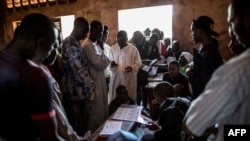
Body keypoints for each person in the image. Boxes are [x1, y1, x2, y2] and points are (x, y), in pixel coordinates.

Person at [182, 1, 250, 141]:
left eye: (232, 22)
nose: (230, 31)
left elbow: (191, 123)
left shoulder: (236, 68)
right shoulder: (205, 51)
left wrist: (218, 132)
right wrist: (222, 131)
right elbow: (243, 131)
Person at [0, 13, 62, 141]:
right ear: (41, 43)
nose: (52, 52)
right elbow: (49, 137)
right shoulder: (37, 78)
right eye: (52, 46)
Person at [35, 27, 84, 141]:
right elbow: (60, 126)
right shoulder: (38, 78)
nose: (57, 52)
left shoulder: (41, 68)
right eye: (55, 46)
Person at [61, 17, 94, 136]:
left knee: (82, 123)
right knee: (79, 125)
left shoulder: (74, 42)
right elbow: (78, 70)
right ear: (78, 28)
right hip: (75, 93)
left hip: (79, 91)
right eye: (85, 31)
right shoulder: (70, 45)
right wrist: (91, 86)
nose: (86, 35)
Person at [81, 20, 110, 132]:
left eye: (102, 32)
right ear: (91, 31)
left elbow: (104, 62)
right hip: (94, 82)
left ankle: (102, 133)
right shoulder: (88, 45)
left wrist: (102, 54)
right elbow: (99, 65)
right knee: (96, 113)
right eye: (98, 32)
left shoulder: (95, 44)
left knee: (102, 109)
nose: (101, 35)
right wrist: (103, 51)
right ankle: (95, 136)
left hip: (100, 80)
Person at [187, 15, 223, 100]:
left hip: (206, 101)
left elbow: (207, 84)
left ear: (200, 31)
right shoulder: (204, 50)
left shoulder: (209, 54)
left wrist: (190, 75)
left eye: (193, 31)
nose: (191, 34)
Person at [108, 30, 142, 103]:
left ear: (126, 39)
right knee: (115, 98)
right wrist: (112, 64)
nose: (120, 43)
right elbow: (108, 62)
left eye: (122, 41)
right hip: (116, 78)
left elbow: (138, 63)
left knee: (129, 97)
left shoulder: (133, 49)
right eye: (118, 41)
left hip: (128, 78)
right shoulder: (112, 49)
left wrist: (132, 67)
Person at [97, 25, 112, 92]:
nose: (105, 37)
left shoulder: (108, 47)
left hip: (107, 77)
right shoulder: (95, 46)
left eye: (107, 35)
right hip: (99, 78)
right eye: (104, 35)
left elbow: (110, 61)